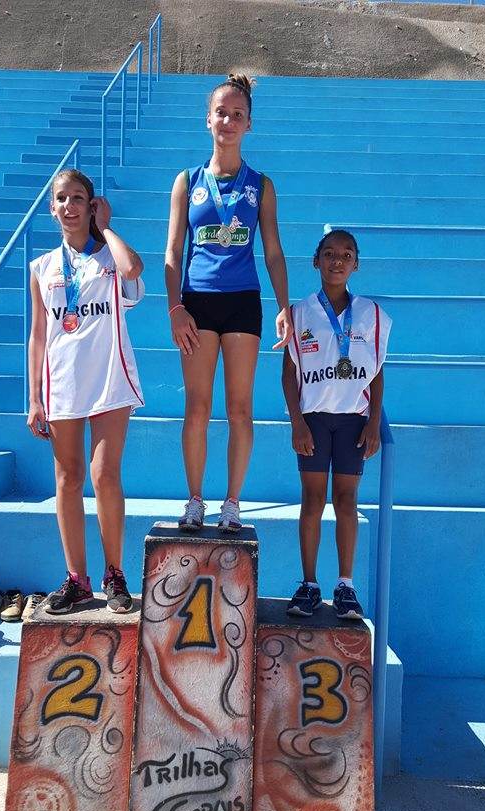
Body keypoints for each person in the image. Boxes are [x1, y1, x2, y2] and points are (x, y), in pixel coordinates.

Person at [165, 73, 292, 533]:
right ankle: (195, 500)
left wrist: (284, 305)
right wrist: (175, 308)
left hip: (243, 302)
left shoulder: (261, 184)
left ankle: (232, 503)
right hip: (197, 303)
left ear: (249, 124)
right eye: (221, 112)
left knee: (240, 408)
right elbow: (172, 252)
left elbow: (273, 251)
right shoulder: (187, 181)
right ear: (208, 119)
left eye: (238, 114)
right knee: (197, 408)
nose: (229, 120)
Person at [27, 169, 145, 614]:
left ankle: (115, 573)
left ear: (92, 206)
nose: (70, 205)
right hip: (63, 383)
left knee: (104, 475)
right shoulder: (42, 268)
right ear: (52, 207)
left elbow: (133, 269)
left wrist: (106, 226)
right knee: (67, 478)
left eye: (79, 198)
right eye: (62, 198)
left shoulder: (111, 257)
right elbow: (38, 335)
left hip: (110, 380)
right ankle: (77, 579)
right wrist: (35, 397)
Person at [281, 228, 391, 618]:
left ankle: (345, 586)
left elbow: (377, 373)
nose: (337, 261)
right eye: (329, 253)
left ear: (356, 264)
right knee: (312, 500)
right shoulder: (298, 313)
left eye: (346, 255)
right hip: (313, 419)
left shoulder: (371, 314)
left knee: (346, 501)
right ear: (316, 260)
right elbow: (288, 373)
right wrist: (297, 422)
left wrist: (373, 422)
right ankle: (309, 584)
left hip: (352, 422)